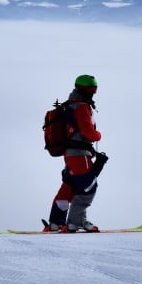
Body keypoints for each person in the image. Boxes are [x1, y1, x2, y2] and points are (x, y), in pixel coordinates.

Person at [44, 74, 109, 232]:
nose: (94, 91)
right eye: (92, 88)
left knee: (69, 187)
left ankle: (55, 223)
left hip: (69, 154)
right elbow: (88, 132)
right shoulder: (81, 106)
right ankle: (75, 222)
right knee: (88, 187)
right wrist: (98, 135)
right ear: (85, 89)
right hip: (80, 154)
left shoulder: (71, 104)